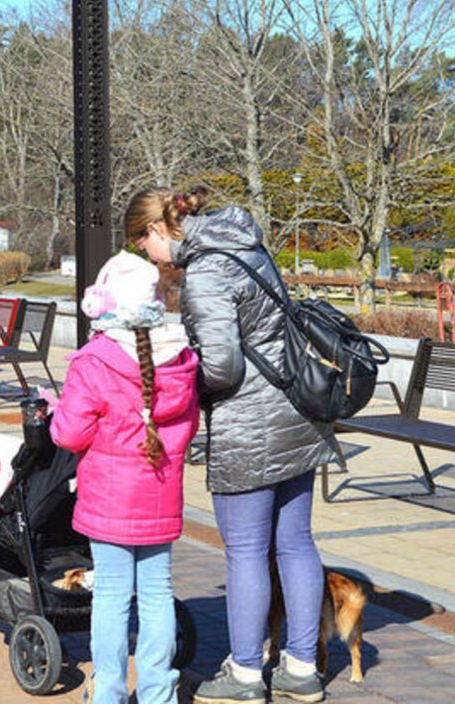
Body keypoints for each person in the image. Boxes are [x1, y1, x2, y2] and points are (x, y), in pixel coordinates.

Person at [126, 187, 336, 704]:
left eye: (141, 246)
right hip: (297, 410)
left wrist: (181, 384)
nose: (149, 259)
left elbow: (223, 366)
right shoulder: (245, 242)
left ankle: (244, 674)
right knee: (295, 543)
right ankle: (302, 668)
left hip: (249, 427)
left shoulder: (204, 272)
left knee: (244, 551)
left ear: (156, 231)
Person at [50, 250, 200, 704]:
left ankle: (109, 691)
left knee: (112, 598)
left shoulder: (93, 361)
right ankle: (159, 692)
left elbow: (70, 433)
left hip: (108, 500)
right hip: (161, 493)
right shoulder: (180, 359)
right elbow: (188, 427)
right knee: (157, 593)